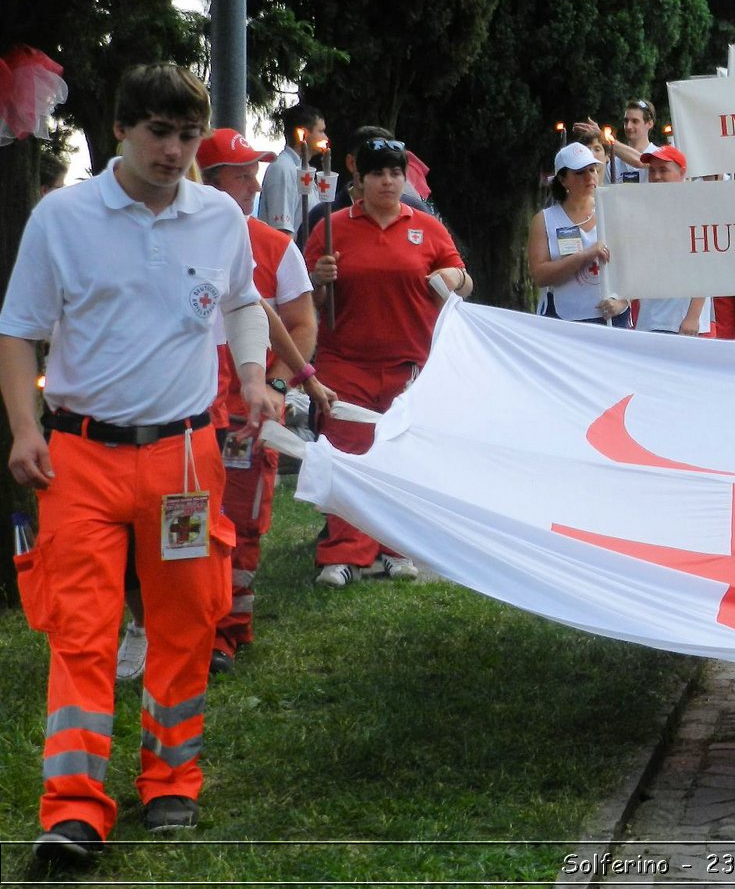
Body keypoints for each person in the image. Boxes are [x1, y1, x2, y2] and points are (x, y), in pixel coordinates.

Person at [0, 63, 274, 863]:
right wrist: (25, 429)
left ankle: (170, 784)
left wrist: (253, 377)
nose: (174, 151)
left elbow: (242, 303)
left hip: (186, 458)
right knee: (82, 632)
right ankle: (75, 809)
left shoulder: (218, 217)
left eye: (187, 136)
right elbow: (19, 330)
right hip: (80, 456)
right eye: (158, 132)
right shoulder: (63, 219)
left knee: (185, 624)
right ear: (120, 128)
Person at [305, 137, 470, 586]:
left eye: (396, 173)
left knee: (399, 456)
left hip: (408, 363)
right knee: (348, 455)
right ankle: (342, 553)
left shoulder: (427, 227)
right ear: (360, 181)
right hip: (346, 362)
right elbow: (309, 300)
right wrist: (319, 280)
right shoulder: (332, 227)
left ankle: (397, 548)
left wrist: (453, 275)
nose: (388, 181)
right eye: (378, 173)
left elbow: (464, 280)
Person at [195, 128, 322, 673]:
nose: (253, 185)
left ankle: (228, 629)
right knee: (188, 523)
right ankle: (179, 626)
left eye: (255, 173)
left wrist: (274, 387)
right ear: (208, 181)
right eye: (240, 175)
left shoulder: (274, 246)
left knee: (242, 522)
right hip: (189, 414)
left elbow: (300, 324)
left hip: (247, 416)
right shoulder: (180, 241)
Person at [529, 142, 628, 326]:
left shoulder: (615, 211)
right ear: (563, 179)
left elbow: (637, 265)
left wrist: (623, 301)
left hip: (612, 319)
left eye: (592, 169)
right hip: (563, 320)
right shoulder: (545, 220)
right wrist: (586, 255)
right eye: (580, 172)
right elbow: (540, 275)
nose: (589, 177)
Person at [633, 146, 710, 335]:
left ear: (682, 173)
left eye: (663, 170)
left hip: (681, 322)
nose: (656, 176)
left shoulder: (697, 210)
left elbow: (707, 266)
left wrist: (693, 316)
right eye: (652, 170)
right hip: (650, 318)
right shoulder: (644, 212)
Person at [257, 102, 326, 237]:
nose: (326, 138)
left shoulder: (301, 169)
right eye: (321, 131)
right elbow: (281, 231)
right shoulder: (282, 168)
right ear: (304, 134)